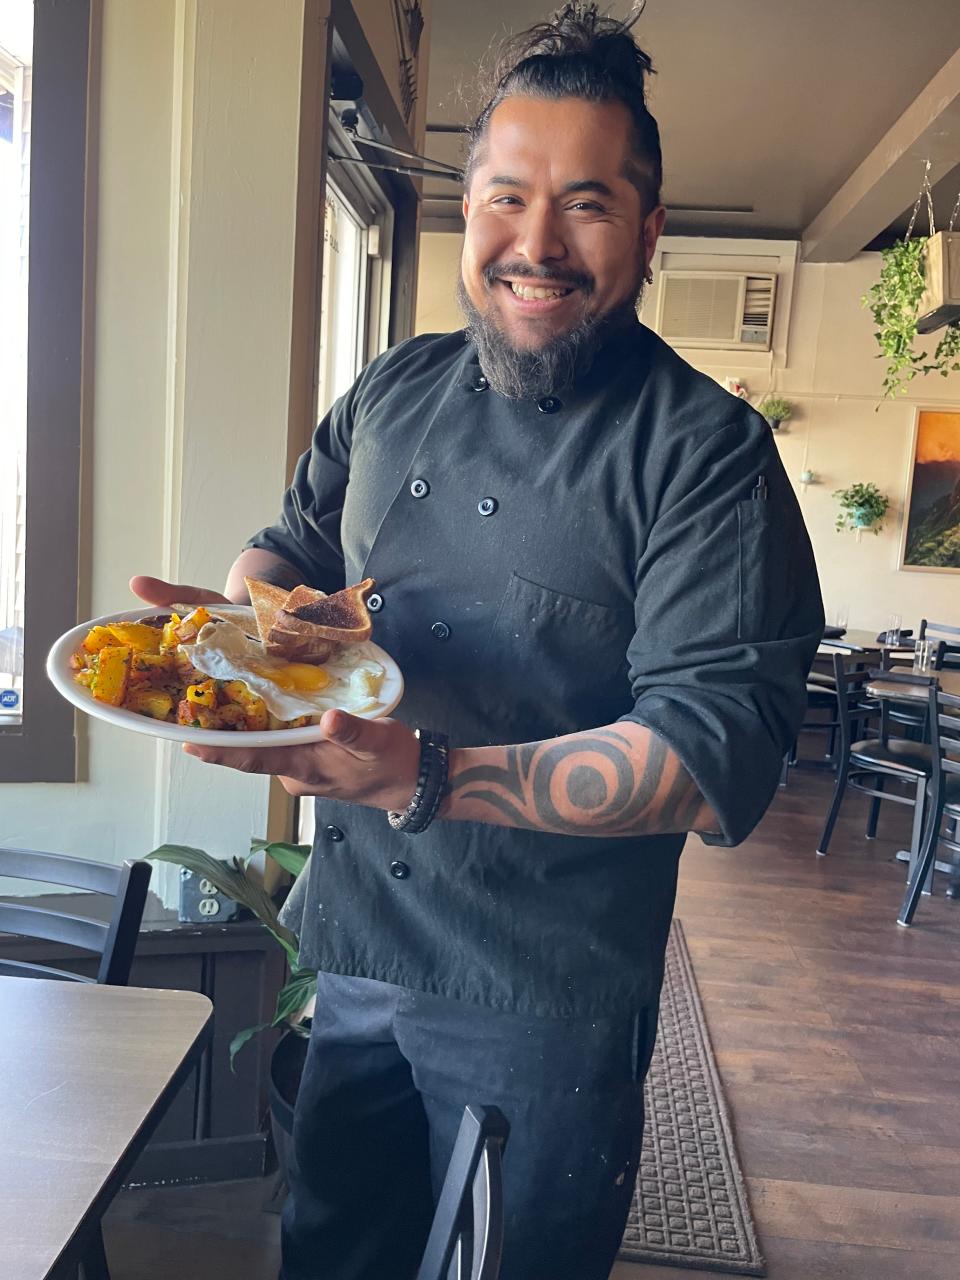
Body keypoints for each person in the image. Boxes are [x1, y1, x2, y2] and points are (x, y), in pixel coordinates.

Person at [133, 5, 823, 1277]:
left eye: (589, 204)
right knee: (334, 1253)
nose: (537, 245)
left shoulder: (709, 458)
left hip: (542, 995)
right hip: (355, 949)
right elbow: (288, 542)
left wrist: (424, 773)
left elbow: (704, 751)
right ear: (468, 211)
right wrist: (253, 616)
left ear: (651, 229)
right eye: (507, 198)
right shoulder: (395, 386)